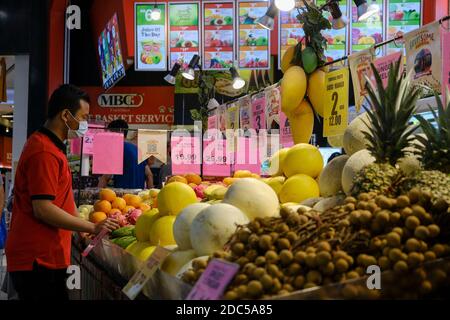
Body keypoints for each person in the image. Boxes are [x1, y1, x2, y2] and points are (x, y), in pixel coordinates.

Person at [5, 84, 119, 300]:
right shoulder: (43, 151)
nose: (84, 124)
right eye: (83, 117)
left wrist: (81, 231)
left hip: (47, 255)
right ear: (66, 115)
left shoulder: (52, 147)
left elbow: (61, 200)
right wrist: (92, 226)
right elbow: (43, 208)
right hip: (37, 259)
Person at [98, 119, 146, 189]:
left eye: (110, 133)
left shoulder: (118, 148)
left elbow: (106, 177)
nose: (109, 136)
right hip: (138, 196)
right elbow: (149, 175)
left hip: (123, 196)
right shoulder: (137, 149)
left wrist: (97, 194)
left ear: (120, 132)